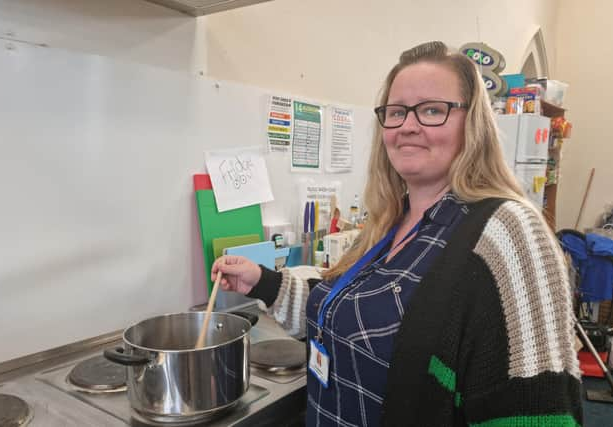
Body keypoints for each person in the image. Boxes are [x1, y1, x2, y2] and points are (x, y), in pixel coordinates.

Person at [212, 41, 582, 426]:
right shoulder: (389, 222)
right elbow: (349, 312)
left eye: (433, 110)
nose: (408, 125)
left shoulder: (509, 232)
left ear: (472, 123)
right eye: (396, 112)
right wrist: (262, 282)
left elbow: (540, 411)